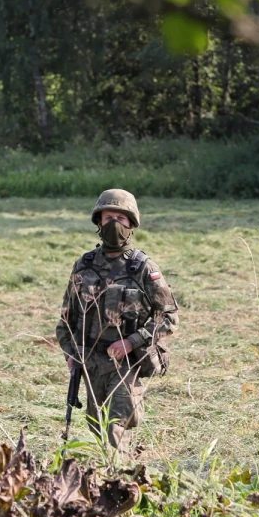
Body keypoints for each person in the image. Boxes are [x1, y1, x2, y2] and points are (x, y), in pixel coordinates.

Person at [55, 189, 178, 451]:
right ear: (98, 222)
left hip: (126, 363)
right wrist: (71, 352)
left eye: (121, 219)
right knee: (97, 425)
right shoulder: (84, 265)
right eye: (108, 217)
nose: (114, 224)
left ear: (131, 225)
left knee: (117, 425)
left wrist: (132, 342)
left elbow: (167, 316)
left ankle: (120, 478)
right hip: (91, 362)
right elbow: (67, 317)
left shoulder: (143, 267)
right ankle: (115, 475)